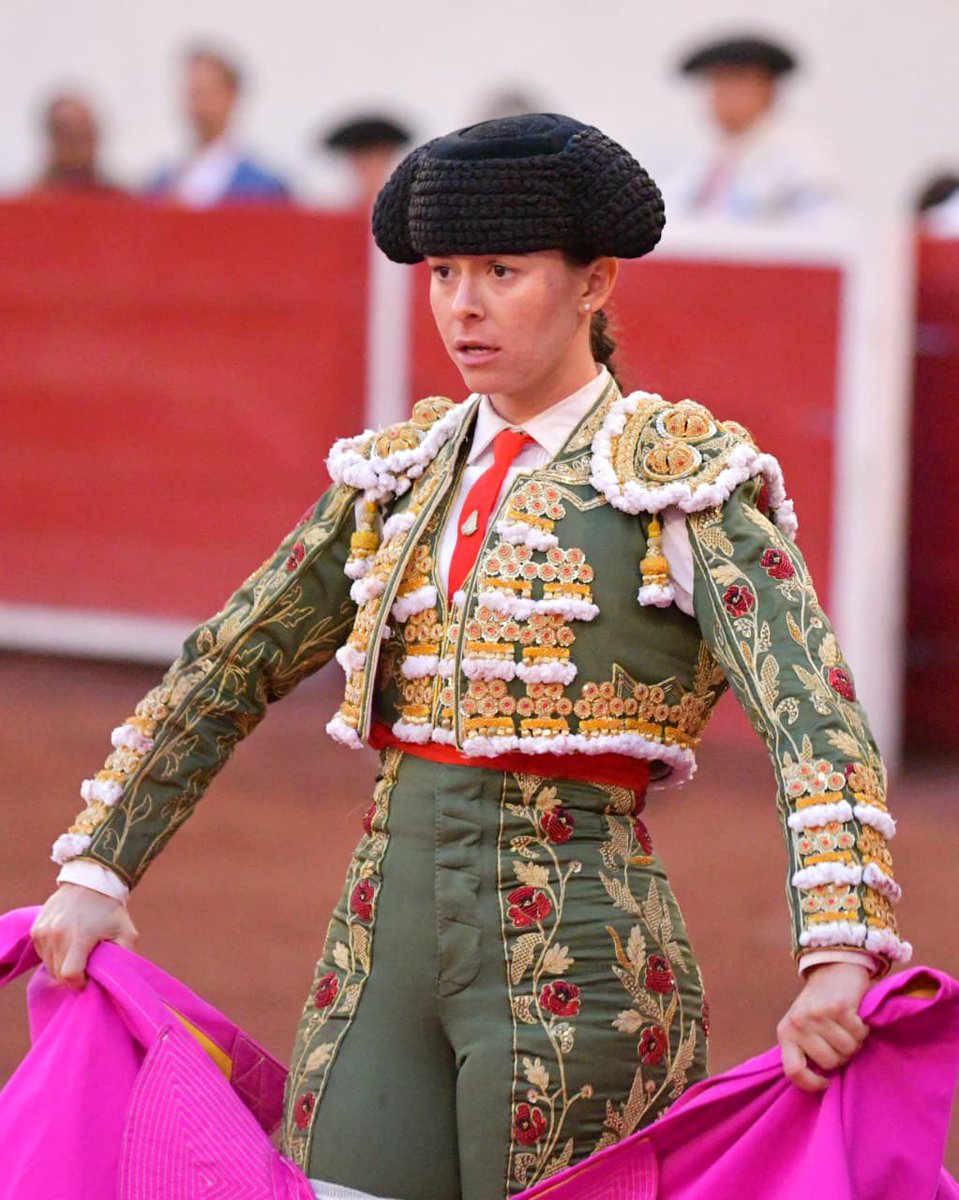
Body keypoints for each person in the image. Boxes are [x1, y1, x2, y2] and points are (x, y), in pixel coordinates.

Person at [31, 113, 909, 1200]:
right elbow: (232, 658)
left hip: (581, 960)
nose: (463, 305)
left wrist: (838, 950)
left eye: (502, 269)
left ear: (594, 284)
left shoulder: (682, 482)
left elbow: (807, 715)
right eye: (444, 271)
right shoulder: (394, 477)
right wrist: (97, 866)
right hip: (376, 950)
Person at [667, 34, 837, 220]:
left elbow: (824, 233)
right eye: (715, 82)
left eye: (733, 81)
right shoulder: (706, 161)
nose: (719, 94)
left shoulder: (799, 160)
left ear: (769, 90)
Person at [148, 43, 292, 207]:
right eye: (193, 94)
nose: (198, 106)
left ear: (231, 96)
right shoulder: (163, 183)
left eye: (207, 93)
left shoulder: (263, 189)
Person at [31, 91, 123, 196]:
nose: (80, 148)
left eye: (85, 135)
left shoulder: (123, 205)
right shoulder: (27, 205)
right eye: (69, 136)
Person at [320, 114, 412, 209]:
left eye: (378, 156)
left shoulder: (409, 209)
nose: (371, 166)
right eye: (363, 158)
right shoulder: (336, 212)